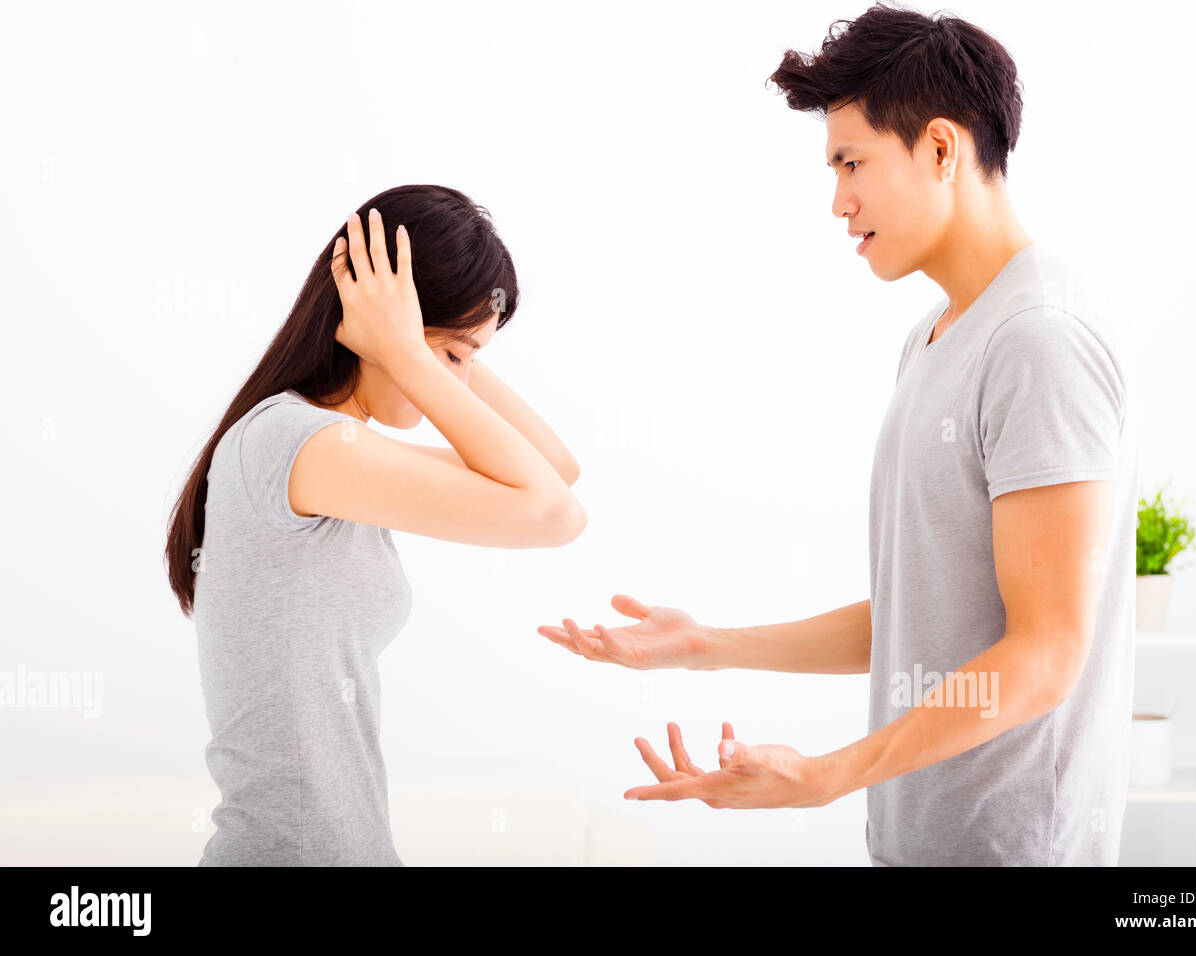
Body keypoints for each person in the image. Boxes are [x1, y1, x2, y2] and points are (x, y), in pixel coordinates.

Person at [537, 3, 1137, 866]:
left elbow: (1046, 655)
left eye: (852, 162)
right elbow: (920, 621)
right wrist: (706, 647)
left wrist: (827, 774)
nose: (837, 201)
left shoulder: (1039, 342)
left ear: (940, 149)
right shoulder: (936, 337)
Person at [164, 184, 586, 865]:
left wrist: (434, 349)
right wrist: (413, 353)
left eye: (470, 358)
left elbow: (551, 472)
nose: (456, 379)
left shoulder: (339, 453)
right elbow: (553, 514)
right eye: (454, 353)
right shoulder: (297, 442)